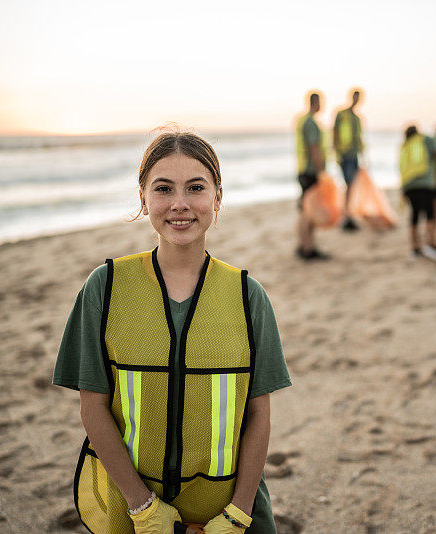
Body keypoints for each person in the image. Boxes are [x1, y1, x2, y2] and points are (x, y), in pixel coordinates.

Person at [53, 128, 291, 534]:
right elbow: (93, 408)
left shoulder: (249, 296)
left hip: (233, 514)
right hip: (136, 514)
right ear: (144, 198)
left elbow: (258, 416)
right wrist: (143, 508)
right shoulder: (105, 288)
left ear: (217, 196)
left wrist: (237, 513)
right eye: (163, 189)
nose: (180, 204)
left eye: (195, 187)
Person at [399, 125, 436, 263]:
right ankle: (431, 244)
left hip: (408, 185)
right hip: (425, 183)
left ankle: (414, 248)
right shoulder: (425, 140)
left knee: (414, 215)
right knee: (429, 213)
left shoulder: (405, 146)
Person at [295, 92, 330, 260]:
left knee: (305, 208)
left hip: (304, 170)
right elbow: (314, 148)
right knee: (308, 210)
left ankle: (305, 245)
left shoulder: (304, 121)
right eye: (320, 101)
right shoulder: (311, 123)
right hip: (310, 171)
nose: (322, 105)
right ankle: (307, 248)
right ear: (314, 102)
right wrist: (321, 171)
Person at [333, 89, 364, 231]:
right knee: (348, 184)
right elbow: (335, 133)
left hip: (354, 155)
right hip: (345, 155)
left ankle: (348, 214)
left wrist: (362, 155)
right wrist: (337, 153)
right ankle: (346, 215)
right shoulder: (341, 114)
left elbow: (358, 139)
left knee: (351, 185)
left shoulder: (357, 118)